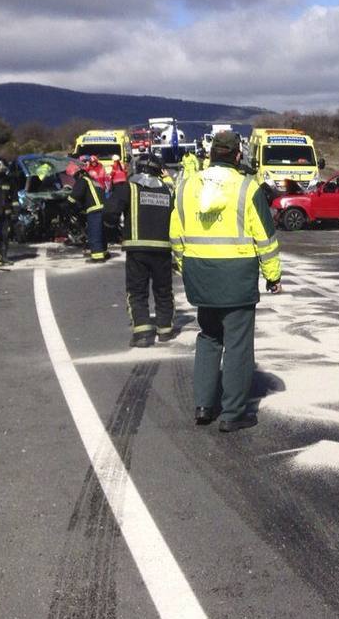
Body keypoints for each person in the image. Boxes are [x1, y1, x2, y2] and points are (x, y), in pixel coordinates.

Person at [171, 130, 282, 432]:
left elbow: (176, 234)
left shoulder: (186, 185)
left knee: (208, 337)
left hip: (200, 273)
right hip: (236, 276)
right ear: (237, 156)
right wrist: (273, 276)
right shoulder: (247, 187)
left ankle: (204, 405)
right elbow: (265, 238)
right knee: (237, 344)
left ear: (209, 154)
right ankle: (233, 413)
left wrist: (186, 268)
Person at [109, 154, 175, 348]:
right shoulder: (168, 191)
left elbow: (110, 212)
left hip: (137, 249)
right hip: (163, 249)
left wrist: (116, 230)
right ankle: (165, 330)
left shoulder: (128, 188)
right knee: (163, 290)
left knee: (137, 291)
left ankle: (143, 333)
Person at [67, 161, 109, 262]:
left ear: (77, 174)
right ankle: (104, 252)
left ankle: (97, 257)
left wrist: (67, 203)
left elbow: (75, 196)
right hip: (104, 208)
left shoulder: (83, 180)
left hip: (95, 209)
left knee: (94, 233)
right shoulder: (93, 180)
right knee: (102, 233)